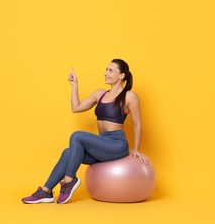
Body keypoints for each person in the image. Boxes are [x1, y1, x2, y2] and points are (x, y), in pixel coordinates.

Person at [22, 59, 149, 204]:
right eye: (106, 69)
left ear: (121, 76)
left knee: (77, 136)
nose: (106, 73)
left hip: (116, 145)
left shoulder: (130, 97)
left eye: (110, 70)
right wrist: (74, 85)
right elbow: (76, 108)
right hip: (103, 143)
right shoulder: (99, 94)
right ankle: (46, 191)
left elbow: (137, 124)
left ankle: (69, 180)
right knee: (67, 153)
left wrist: (137, 149)